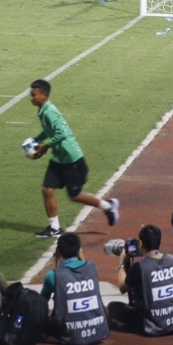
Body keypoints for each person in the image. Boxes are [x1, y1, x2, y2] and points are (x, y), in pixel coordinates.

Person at [27, 79, 119, 238]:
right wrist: (37, 140)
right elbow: (49, 131)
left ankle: (108, 206)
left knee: (75, 196)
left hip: (72, 160)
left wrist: (46, 146)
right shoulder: (42, 110)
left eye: (33, 95)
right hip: (59, 159)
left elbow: (61, 134)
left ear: (44, 95)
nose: (31, 98)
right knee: (47, 189)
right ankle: (54, 228)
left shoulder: (50, 111)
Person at [109, 225, 173, 335]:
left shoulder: (140, 267)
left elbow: (122, 287)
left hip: (153, 326)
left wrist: (122, 262)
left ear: (141, 244)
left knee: (113, 308)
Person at [42, 232, 109, 345]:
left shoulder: (53, 275)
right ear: (79, 251)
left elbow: (42, 303)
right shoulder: (92, 267)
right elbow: (84, 265)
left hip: (69, 334)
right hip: (98, 330)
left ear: (58, 252)